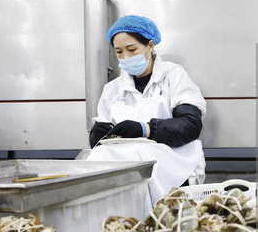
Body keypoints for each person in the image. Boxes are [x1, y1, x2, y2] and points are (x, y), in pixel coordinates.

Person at [86, 15, 206, 214]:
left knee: (138, 162)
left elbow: (190, 125)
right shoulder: (112, 89)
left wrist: (146, 129)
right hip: (124, 160)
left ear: (150, 45)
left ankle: (150, 222)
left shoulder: (173, 76)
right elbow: (101, 143)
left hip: (172, 157)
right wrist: (96, 136)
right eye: (119, 52)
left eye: (132, 50)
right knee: (99, 157)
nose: (125, 57)